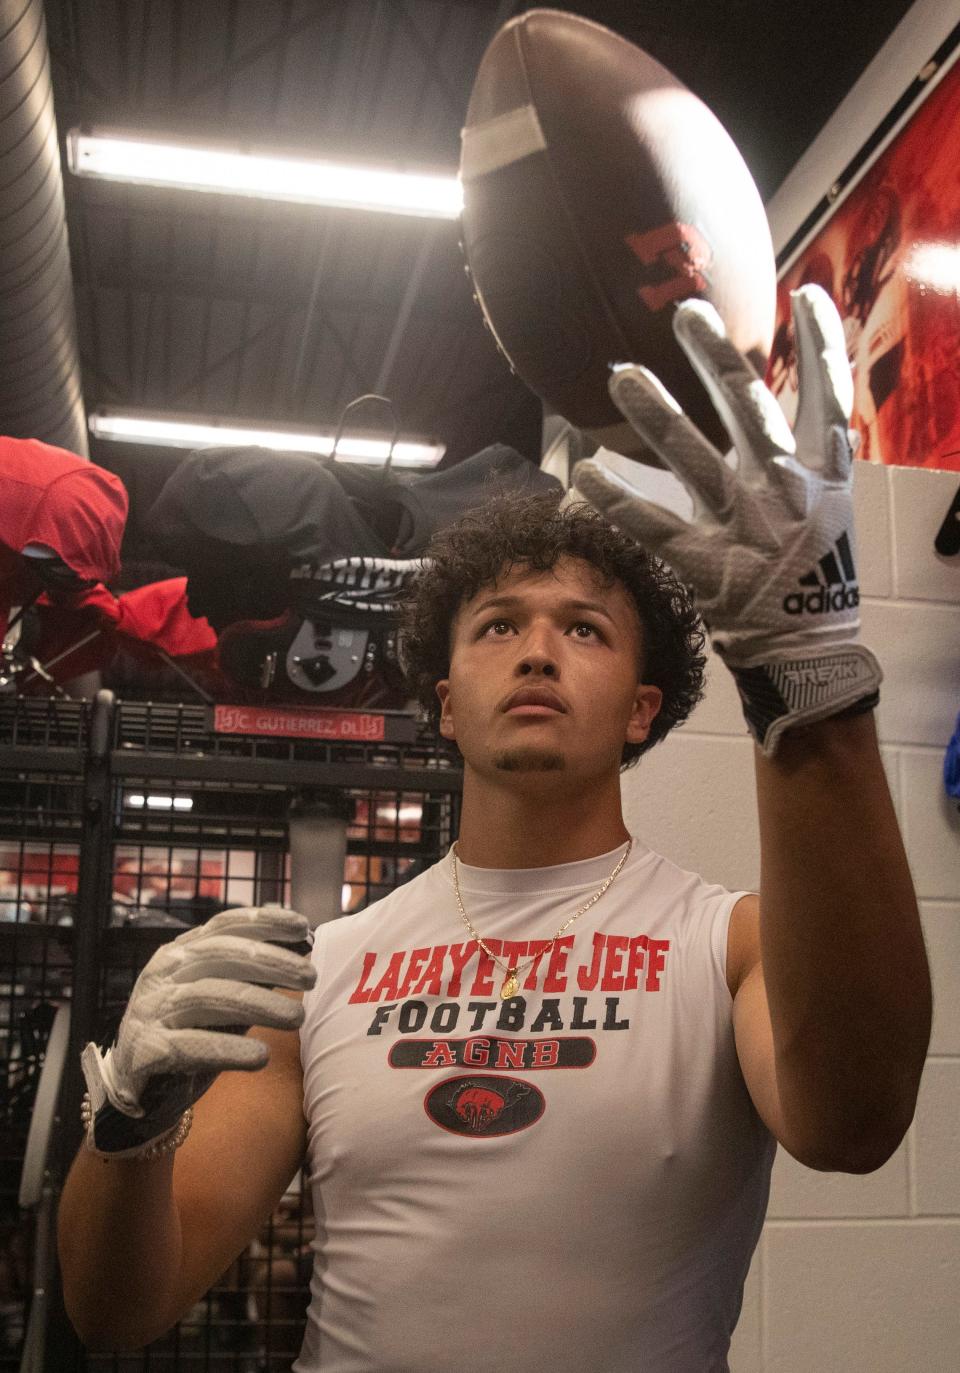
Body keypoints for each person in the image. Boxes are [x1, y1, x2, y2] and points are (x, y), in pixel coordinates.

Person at [57, 286, 931, 1371]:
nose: (536, 651)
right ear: (442, 701)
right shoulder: (318, 974)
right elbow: (115, 1309)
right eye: (500, 625)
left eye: (584, 628)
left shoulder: (731, 946)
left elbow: (854, 1124)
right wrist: (125, 1125)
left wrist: (813, 682)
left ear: (642, 706)